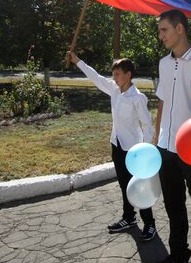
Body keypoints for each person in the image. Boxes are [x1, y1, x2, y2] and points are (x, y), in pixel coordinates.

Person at [66, 51, 157, 241]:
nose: (114, 78)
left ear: (128, 74)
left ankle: (150, 224)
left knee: (138, 186)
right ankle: (129, 218)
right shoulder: (114, 89)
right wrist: (77, 61)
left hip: (134, 151)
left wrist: (147, 151)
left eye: (117, 74)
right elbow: (95, 77)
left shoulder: (137, 98)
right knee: (124, 185)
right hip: (116, 145)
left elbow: (148, 126)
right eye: (113, 74)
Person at [154, 9, 191, 263]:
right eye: (159, 31)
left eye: (164, 30)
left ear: (180, 29)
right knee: (173, 206)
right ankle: (178, 253)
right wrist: (156, 139)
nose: (161, 36)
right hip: (166, 147)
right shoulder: (164, 63)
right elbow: (161, 101)